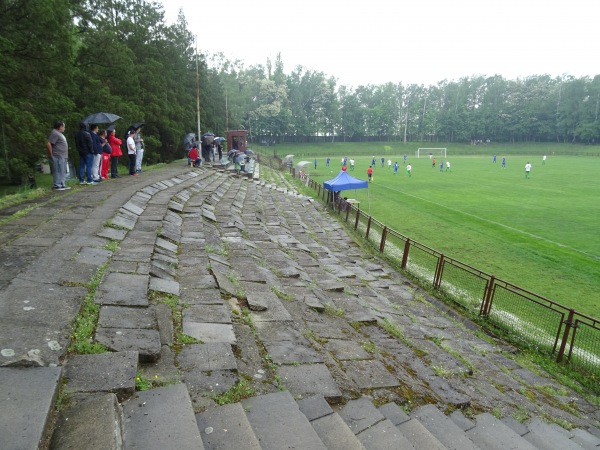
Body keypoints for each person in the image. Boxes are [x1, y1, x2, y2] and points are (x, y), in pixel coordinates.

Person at [46, 120, 71, 191]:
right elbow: (49, 143)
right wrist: (51, 154)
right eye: (63, 126)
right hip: (58, 155)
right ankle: (57, 185)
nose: (64, 128)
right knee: (58, 170)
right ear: (60, 127)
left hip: (63, 155)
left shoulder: (59, 133)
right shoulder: (55, 133)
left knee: (62, 170)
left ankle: (62, 184)